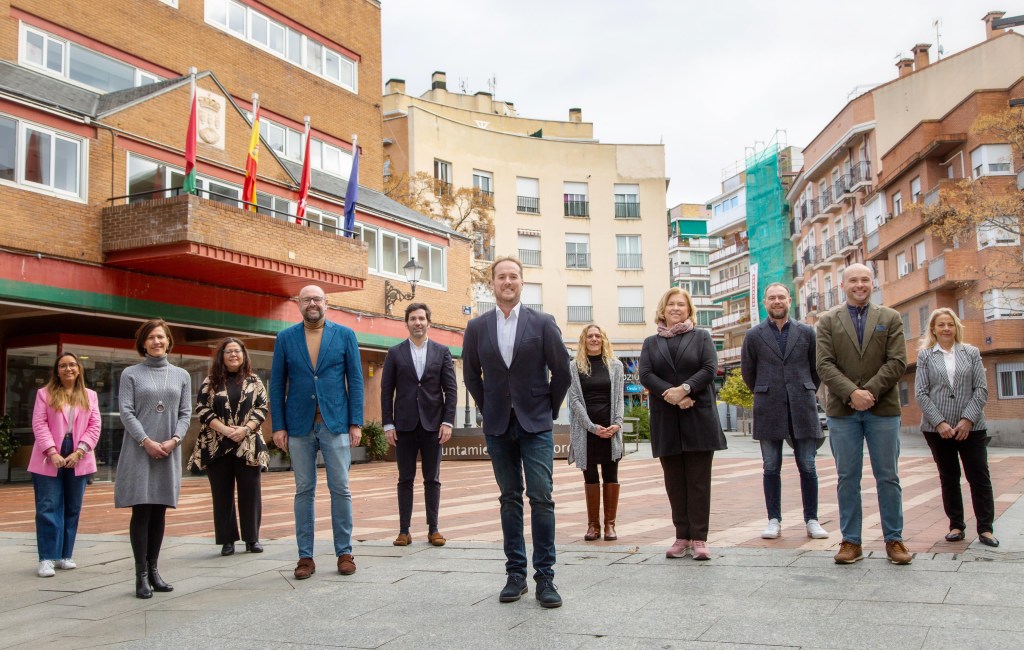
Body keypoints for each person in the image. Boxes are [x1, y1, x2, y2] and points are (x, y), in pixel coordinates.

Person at [463, 256, 571, 608]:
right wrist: (488, 407)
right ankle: (515, 575)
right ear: (492, 284)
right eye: (501, 277)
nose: (507, 282)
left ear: (522, 282)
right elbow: (470, 376)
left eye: (513, 276)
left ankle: (546, 578)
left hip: (536, 424)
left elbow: (562, 372)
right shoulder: (477, 327)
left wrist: (547, 410)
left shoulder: (542, 323)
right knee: (509, 498)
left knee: (541, 497)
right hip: (497, 424)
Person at [816, 263, 911, 565]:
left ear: (874, 284)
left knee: (888, 476)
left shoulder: (890, 318)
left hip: (882, 409)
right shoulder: (828, 321)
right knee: (847, 477)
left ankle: (894, 540)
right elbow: (824, 365)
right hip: (842, 412)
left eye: (865, 280)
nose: (860, 285)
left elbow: (897, 361)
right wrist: (851, 394)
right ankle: (850, 542)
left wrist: (868, 392)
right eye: (853, 280)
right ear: (842, 286)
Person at [270, 285, 363, 580]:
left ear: (327, 303)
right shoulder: (285, 338)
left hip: (335, 423)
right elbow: (276, 384)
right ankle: (305, 556)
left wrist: (355, 422)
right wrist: (279, 425)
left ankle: (345, 552)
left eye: (317, 299)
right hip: (299, 425)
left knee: (341, 488)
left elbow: (356, 381)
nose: (313, 303)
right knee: (304, 490)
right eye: (307, 299)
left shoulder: (345, 335)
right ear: (298, 304)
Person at [640, 287, 727, 561]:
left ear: (689, 310)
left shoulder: (701, 337)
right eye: (671, 304)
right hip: (667, 420)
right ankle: (682, 537)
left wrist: (686, 389)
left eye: (681, 305)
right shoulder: (651, 342)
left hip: (698, 418)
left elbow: (709, 369)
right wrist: (673, 395)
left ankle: (700, 538)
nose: (676, 308)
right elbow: (645, 374)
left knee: (699, 481)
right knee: (674, 482)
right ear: (662, 310)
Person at [740, 283, 829, 541]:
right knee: (770, 467)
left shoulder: (807, 332)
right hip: (768, 406)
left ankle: (812, 519)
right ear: (764, 302)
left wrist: (804, 388)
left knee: (808, 466)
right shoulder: (754, 335)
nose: (777, 301)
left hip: (802, 405)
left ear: (790, 300)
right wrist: (766, 389)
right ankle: (773, 520)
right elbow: (749, 373)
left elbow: (816, 368)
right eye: (772, 298)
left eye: (781, 297)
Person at [115, 318, 192, 598]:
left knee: (159, 509)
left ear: (168, 340)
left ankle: (155, 570)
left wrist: (174, 440)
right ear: (143, 343)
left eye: (161, 337)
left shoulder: (182, 375)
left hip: (169, 450)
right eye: (151, 338)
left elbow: (186, 413)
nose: (157, 342)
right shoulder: (130, 374)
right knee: (142, 510)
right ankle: (141, 576)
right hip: (140, 450)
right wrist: (145, 441)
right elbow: (126, 411)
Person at [915, 308, 997, 547]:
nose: (946, 329)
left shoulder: (971, 352)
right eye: (941, 325)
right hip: (937, 430)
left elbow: (981, 389)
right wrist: (939, 422)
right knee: (949, 478)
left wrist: (967, 420)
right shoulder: (926, 356)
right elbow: (920, 393)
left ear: (956, 326)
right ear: (933, 329)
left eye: (950, 324)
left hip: (971, 427)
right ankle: (956, 526)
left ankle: (986, 529)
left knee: (979, 476)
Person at [381, 302, 458, 547]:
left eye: (421, 318)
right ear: (407, 323)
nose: (417, 322)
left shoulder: (441, 351)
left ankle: (434, 529)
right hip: (403, 426)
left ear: (428, 322)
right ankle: (404, 530)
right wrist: (387, 424)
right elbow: (386, 391)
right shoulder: (395, 353)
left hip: (433, 426)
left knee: (432, 479)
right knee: (405, 478)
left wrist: (447, 421)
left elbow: (451, 389)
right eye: (413, 318)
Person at [188, 337, 270, 556]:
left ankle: (252, 539)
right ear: (221, 356)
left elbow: (262, 408)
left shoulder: (254, 380)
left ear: (244, 355)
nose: (234, 355)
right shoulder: (211, 381)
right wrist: (225, 430)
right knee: (222, 494)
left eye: (237, 351)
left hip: (248, 444)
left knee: (250, 492)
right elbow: (202, 409)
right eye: (229, 352)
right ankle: (227, 540)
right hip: (217, 445)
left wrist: (244, 430)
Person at [29, 352, 101, 578]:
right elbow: (39, 424)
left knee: (72, 507)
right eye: (63, 366)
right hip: (49, 454)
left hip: (79, 453)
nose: (68, 369)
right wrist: (52, 452)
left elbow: (94, 425)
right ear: (57, 370)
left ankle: (65, 555)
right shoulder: (45, 394)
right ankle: (47, 558)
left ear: (79, 369)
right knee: (48, 507)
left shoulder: (90, 395)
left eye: (72, 365)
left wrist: (80, 451)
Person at [567, 324, 624, 542]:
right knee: (590, 476)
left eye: (597, 336)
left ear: (603, 339)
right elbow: (574, 400)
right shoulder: (574, 366)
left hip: (610, 431)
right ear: (584, 340)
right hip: (586, 431)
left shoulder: (616, 366)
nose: (594, 339)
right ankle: (593, 526)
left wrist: (617, 424)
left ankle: (610, 525)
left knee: (611, 475)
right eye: (589, 336)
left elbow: (619, 398)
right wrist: (591, 427)